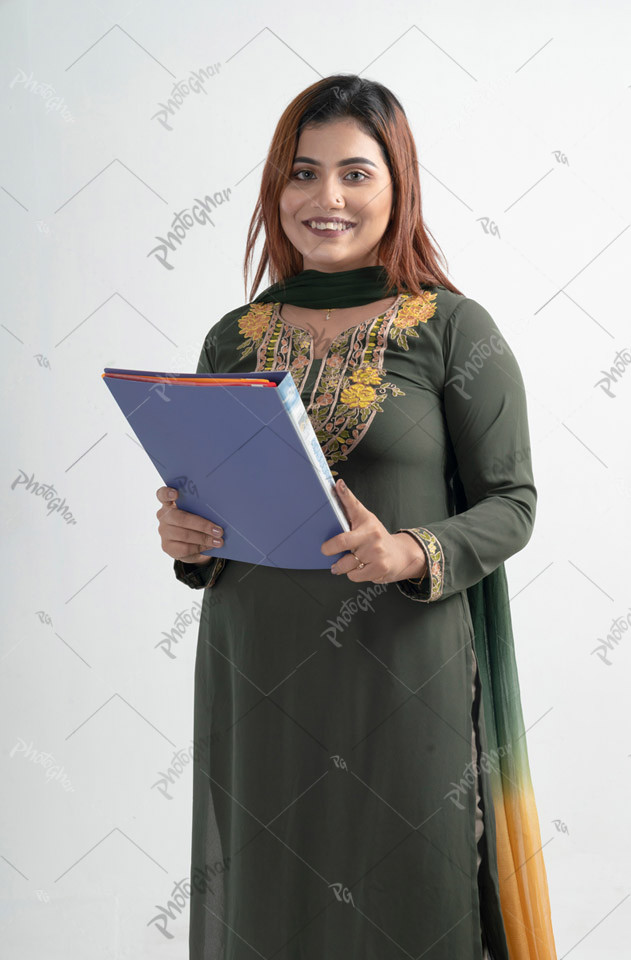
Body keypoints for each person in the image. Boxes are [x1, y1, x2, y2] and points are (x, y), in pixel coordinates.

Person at [156, 74, 558, 960]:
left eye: (354, 173)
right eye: (302, 174)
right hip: (259, 669)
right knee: (269, 901)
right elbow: (210, 510)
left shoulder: (453, 330)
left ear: (397, 184)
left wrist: (414, 549)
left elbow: (513, 503)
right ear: (275, 189)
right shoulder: (233, 336)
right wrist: (185, 541)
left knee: (416, 891)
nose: (325, 198)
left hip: (403, 673)